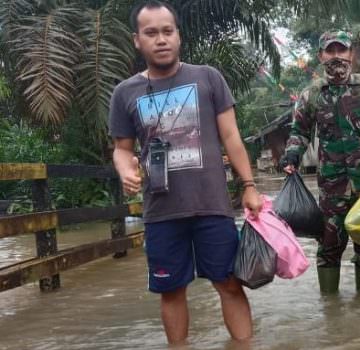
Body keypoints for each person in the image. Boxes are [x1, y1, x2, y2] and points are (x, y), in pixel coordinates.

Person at [108, 1, 262, 344]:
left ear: (178, 35)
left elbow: (231, 136)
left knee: (229, 283)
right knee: (171, 290)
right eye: (151, 33)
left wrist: (249, 185)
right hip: (162, 212)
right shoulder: (124, 93)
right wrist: (124, 168)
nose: (160, 39)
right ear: (137, 40)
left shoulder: (207, 78)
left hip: (212, 206)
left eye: (167, 31)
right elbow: (121, 148)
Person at [280, 30, 360, 294]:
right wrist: (292, 155)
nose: (336, 57)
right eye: (330, 51)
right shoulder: (311, 94)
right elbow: (299, 131)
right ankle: (331, 312)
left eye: (341, 50)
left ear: (352, 54)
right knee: (328, 245)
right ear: (320, 56)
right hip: (331, 187)